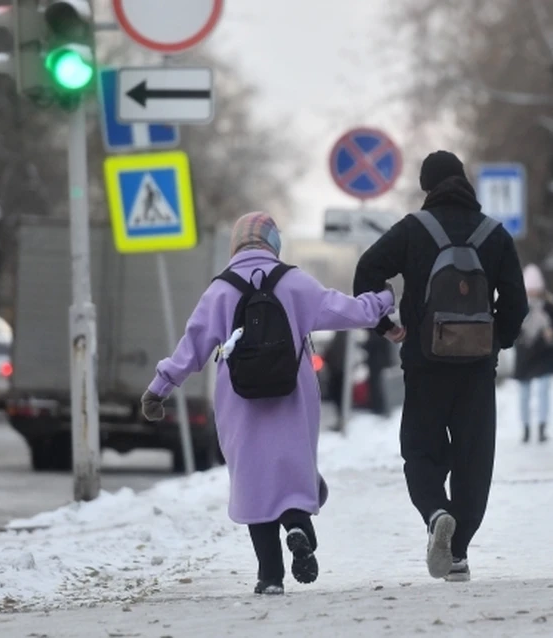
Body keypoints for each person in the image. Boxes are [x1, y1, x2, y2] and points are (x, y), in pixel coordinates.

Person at [140, 212, 395, 596]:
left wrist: (159, 388)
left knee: (254, 482)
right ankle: (297, 527)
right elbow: (344, 310)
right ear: (273, 244)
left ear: (236, 245)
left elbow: (191, 349)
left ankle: (270, 577)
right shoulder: (294, 282)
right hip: (293, 394)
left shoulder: (220, 291)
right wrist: (383, 300)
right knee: (293, 471)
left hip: (239, 401)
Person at [353, 150, 528, 583]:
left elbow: (367, 271)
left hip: (425, 362)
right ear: (465, 183)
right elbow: (517, 305)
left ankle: (436, 514)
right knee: (474, 458)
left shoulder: (415, 230)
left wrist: (386, 324)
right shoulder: (495, 235)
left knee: (420, 449)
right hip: (475, 368)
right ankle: (459, 552)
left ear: (427, 187)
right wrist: (494, 343)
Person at [514, 264, 553, 444]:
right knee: (524, 394)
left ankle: (542, 427)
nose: (533, 292)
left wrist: (552, 333)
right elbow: (511, 329)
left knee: (543, 391)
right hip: (525, 355)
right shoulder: (518, 305)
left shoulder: (550, 305)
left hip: (544, 355)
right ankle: (525, 428)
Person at [364, 330, 393, 416]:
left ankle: (378, 406)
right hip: (380, 362)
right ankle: (379, 405)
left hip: (377, 363)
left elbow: (373, 344)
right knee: (377, 385)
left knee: (377, 385)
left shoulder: (378, 333)